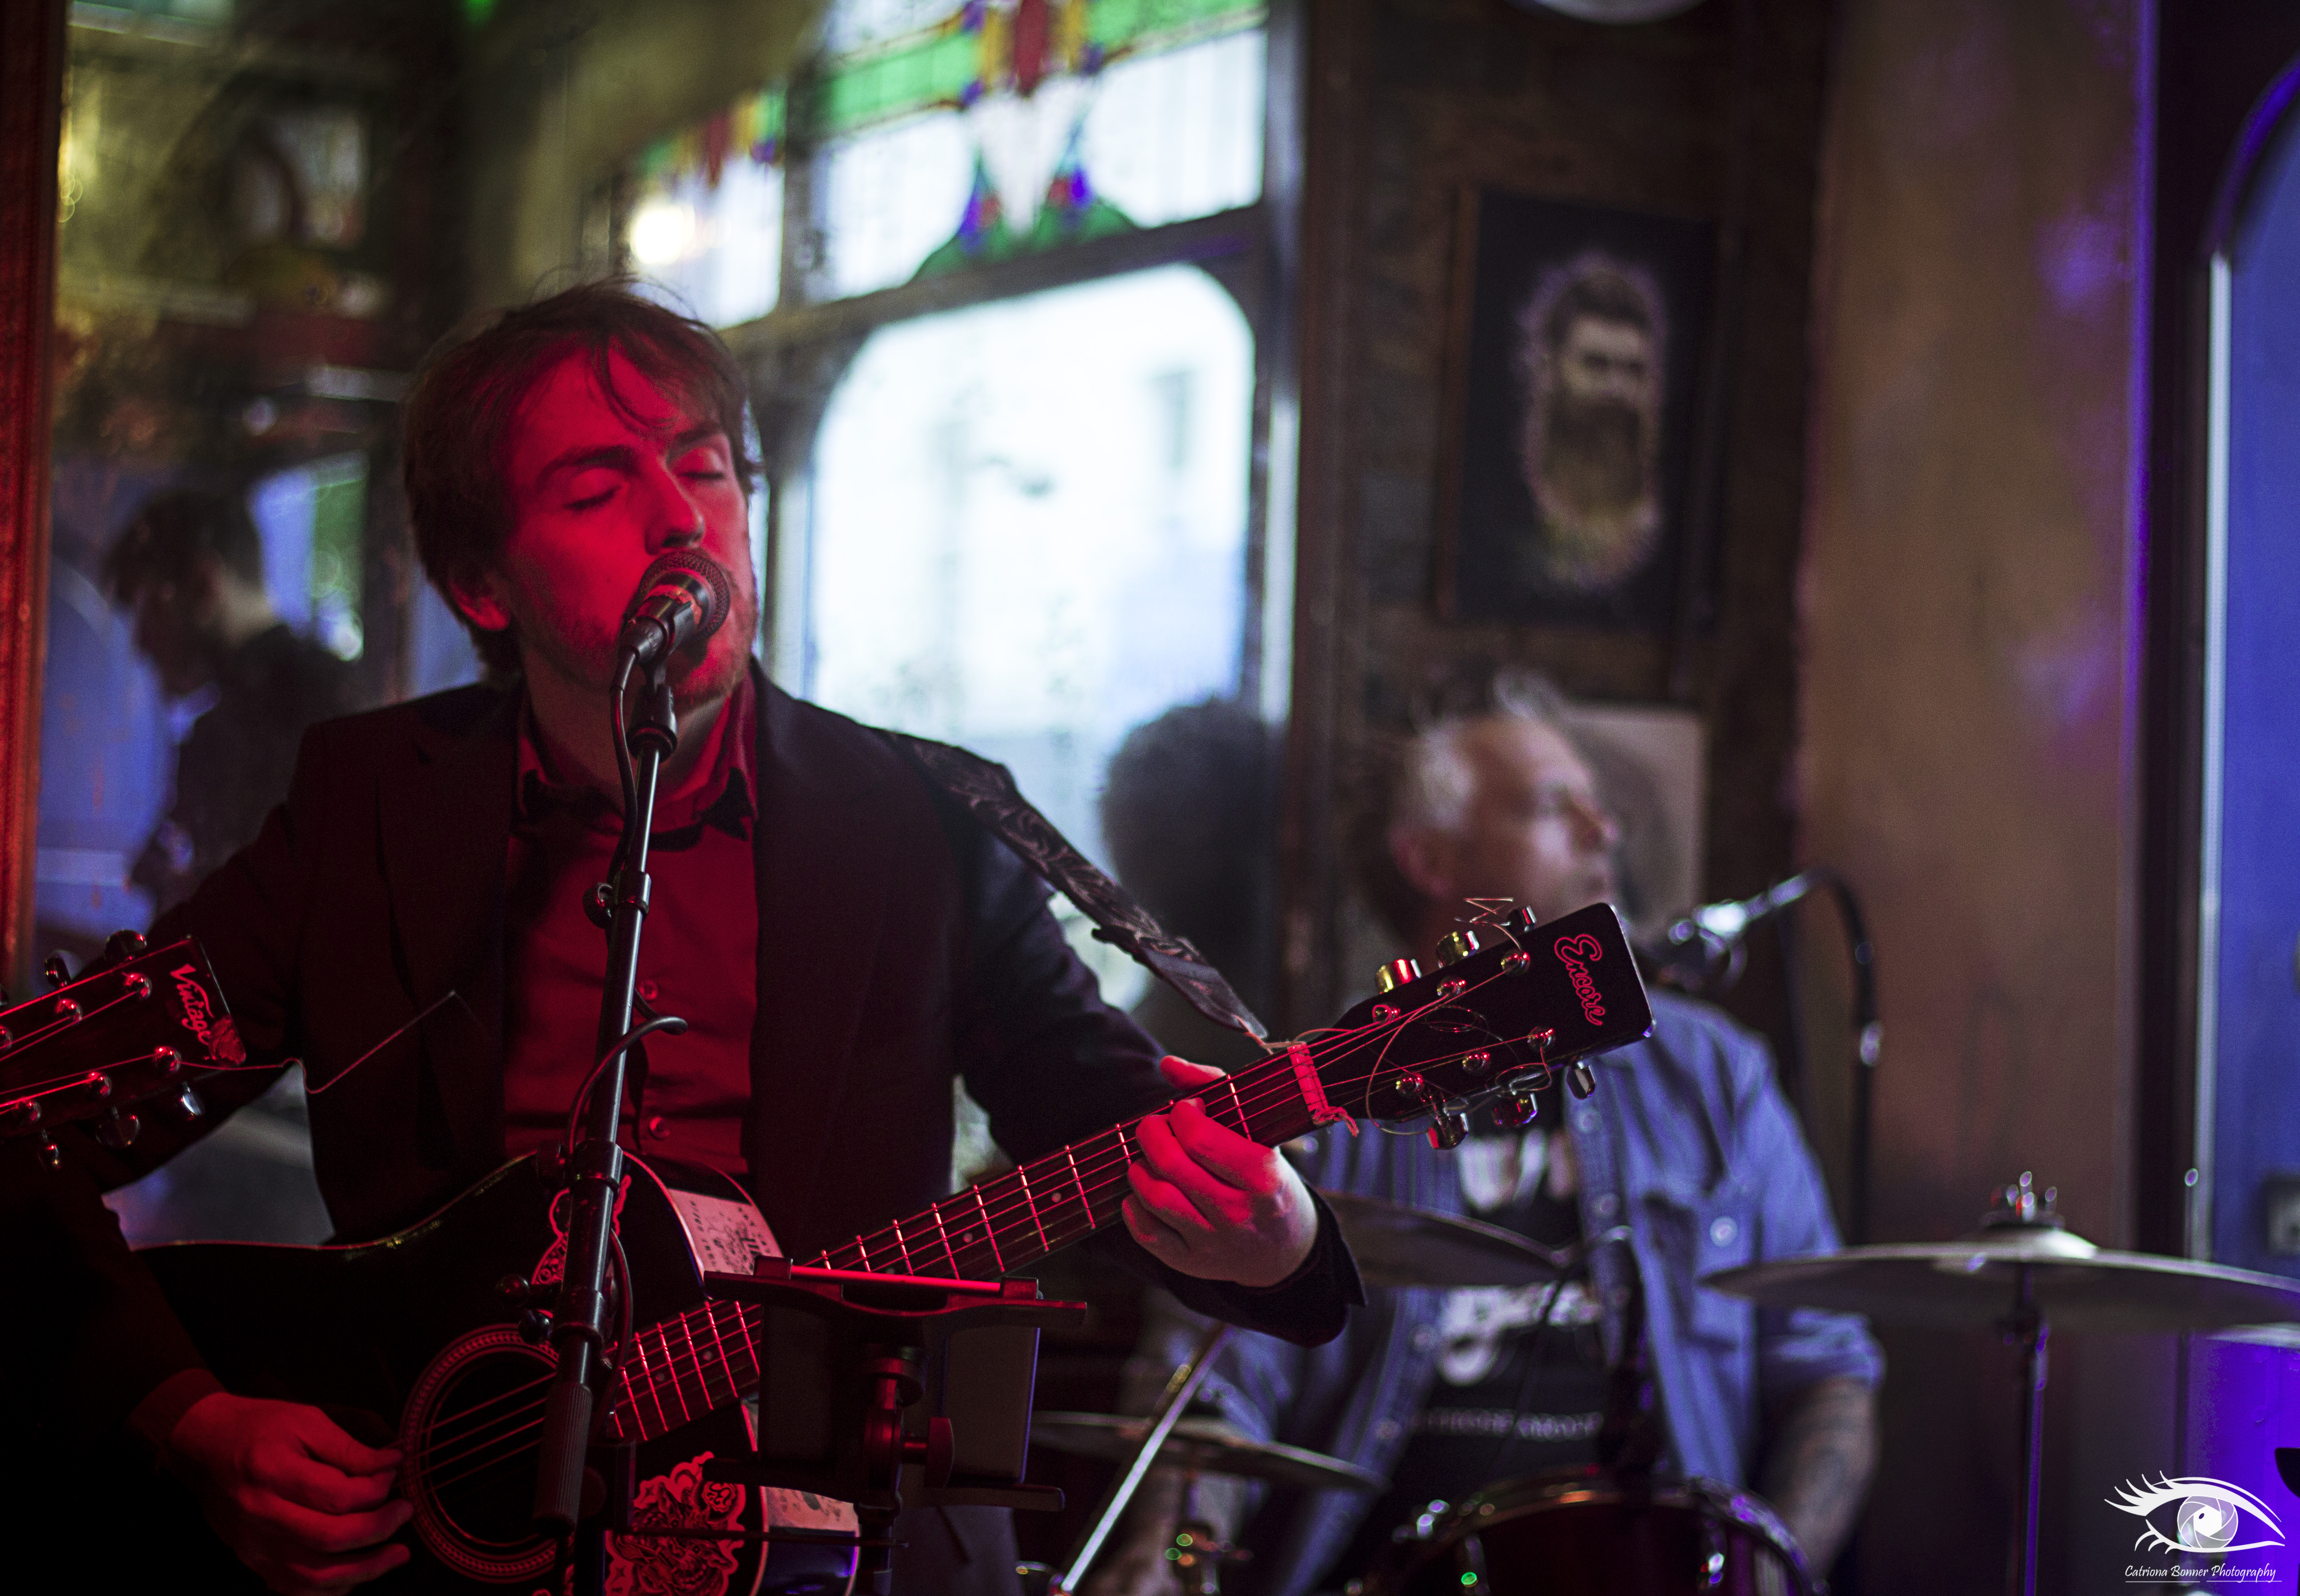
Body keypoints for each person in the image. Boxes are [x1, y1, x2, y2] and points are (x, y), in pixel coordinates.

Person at [0, 283, 1360, 1596]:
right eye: (596, 492)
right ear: (483, 584)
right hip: (431, 1541)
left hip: (827, 1538)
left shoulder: (922, 822)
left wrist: (1271, 1237)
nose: (679, 521)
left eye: (708, 473)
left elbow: (1105, 1119)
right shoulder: (370, 812)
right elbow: (34, 1128)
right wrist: (185, 1415)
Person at [1092, 671, 1880, 1596]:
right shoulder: (1321, 1097)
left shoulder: (1714, 1076)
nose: (1606, 832)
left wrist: (1771, 1575)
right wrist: (1165, 1560)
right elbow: (1216, 1378)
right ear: (1433, 860)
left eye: (1602, 807)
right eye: (1556, 809)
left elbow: (1826, 1369)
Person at [103, 488, 359, 915]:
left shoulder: (286, 716)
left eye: (149, 608)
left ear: (203, 586)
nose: (142, 643)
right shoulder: (317, 694)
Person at [1514, 258, 1666, 592]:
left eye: (1634, 370)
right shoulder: (1508, 519)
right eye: (1596, 365)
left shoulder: (1663, 534)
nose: (1618, 389)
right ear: (1550, 371)